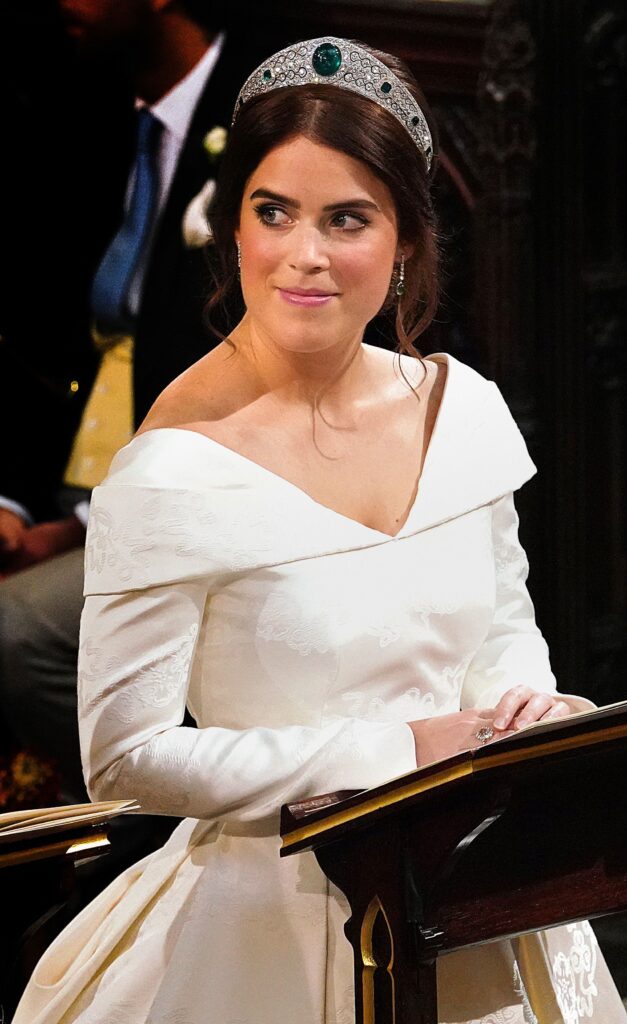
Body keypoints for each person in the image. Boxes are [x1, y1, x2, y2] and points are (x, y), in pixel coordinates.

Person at [14, 35, 627, 1024]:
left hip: (478, 899)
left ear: (407, 239)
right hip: (271, 923)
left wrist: (525, 708)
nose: (305, 255)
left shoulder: (462, 411)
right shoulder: (173, 469)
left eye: (347, 218)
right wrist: (397, 748)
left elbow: (501, 634)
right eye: (274, 213)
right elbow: (126, 758)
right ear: (232, 226)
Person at [0, 0, 275, 814]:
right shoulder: (89, 109)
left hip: (198, 491)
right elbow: (49, 332)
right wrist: (18, 503)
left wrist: (85, 527)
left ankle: (160, 826)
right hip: (79, 478)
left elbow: (242, 382)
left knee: (16, 633)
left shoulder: (257, 116)